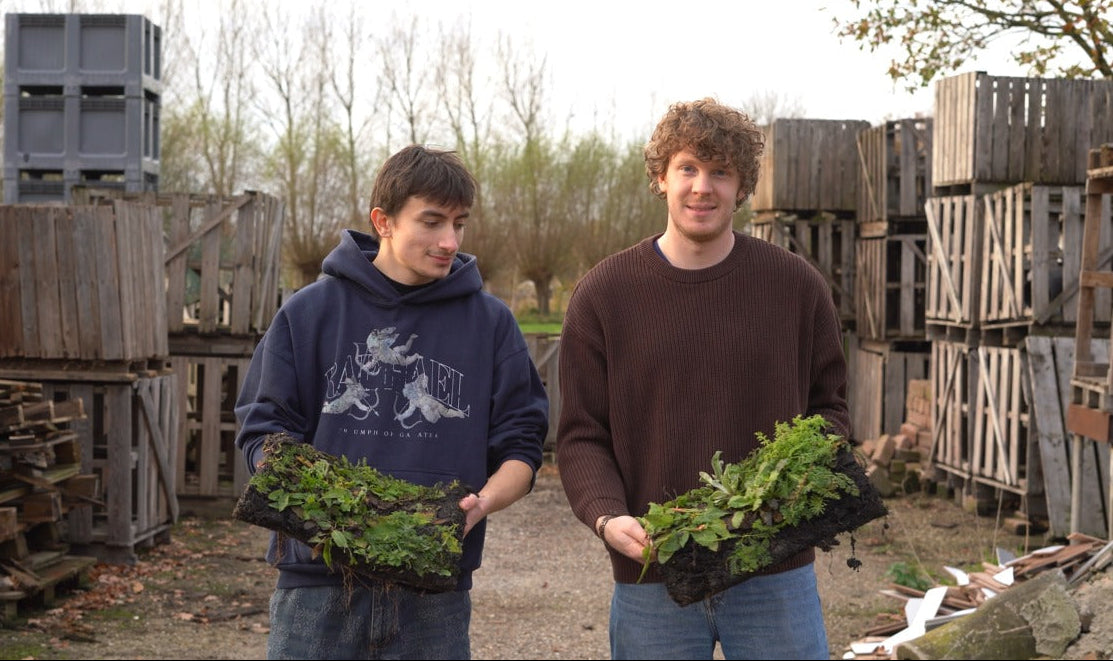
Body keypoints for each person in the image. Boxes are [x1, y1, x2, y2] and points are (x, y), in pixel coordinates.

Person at [555, 97, 850, 660]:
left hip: (774, 572)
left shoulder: (794, 288)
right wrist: (606, 516)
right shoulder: (605, 295)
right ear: (661, 178)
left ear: (742, 189)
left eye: (721, 172)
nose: (702, 187)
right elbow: (580, 433)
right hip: (652, 571)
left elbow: (829, 409)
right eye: (688, 168)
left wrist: (787, 495)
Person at [234, 144, 549, 660]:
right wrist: (320, 511)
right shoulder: (308, 314)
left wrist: (480, 507)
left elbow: (521, 444)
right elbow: (262, 429)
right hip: (319, 584)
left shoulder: (491, 325)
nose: (449, 240)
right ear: (383, 220)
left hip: (433, 592)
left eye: (459, 223)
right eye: (431, 222)